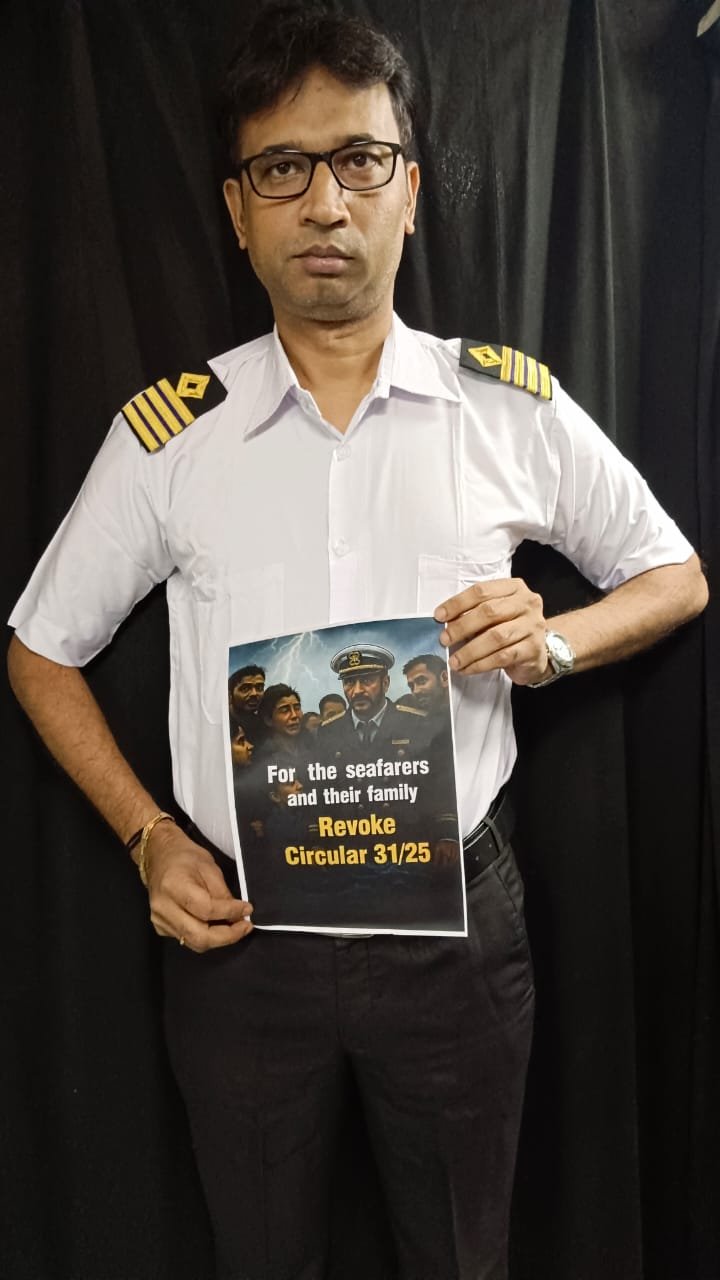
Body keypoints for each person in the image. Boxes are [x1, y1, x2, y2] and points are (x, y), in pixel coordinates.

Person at [5, 4, 707, 1279]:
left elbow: (676, 574)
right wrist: (150, 835)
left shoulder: (503, 408)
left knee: (463, 1257)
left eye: (359, 160)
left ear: (412, 192)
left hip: (453, 930)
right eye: (283, 167)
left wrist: (553, 640)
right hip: (243, 938)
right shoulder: (172, 436)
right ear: (237, 212)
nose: (325, 202)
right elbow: (40, 647)